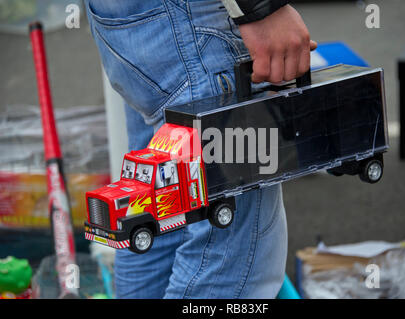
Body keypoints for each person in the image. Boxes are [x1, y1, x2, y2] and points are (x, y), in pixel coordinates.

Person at [84, 0, 315, 298]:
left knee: (161, 227)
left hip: (133, 22)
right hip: (188, 24)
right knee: (230, 258)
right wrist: (261, 10)